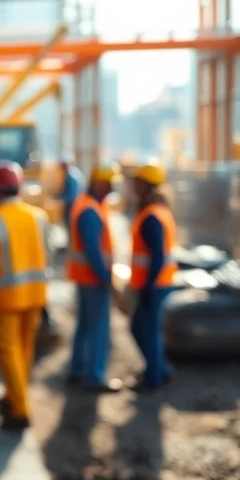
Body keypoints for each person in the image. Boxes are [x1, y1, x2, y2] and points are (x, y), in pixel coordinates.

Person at [0, 161, 51, 431]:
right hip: (36, 294)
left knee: (7, 351)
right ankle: (13, 396)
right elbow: (47, 254)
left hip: (6, 297)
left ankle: (20, 410)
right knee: (24, 350)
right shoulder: (39, 216)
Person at [66, 161, 124, 393]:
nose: (112, 189)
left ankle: (77, 370)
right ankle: (95, 376)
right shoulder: (89, 209)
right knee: (99, 328)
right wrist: (106, 278)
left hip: (84, 277)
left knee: (84, 325)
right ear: (99, 183)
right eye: (109, 184)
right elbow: (93, 251)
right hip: (92, 278)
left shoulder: (88, 204)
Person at [127, 163, 177, 391]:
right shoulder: (159, 210)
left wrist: (148, 286)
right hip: (160, 283)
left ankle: (154, 378)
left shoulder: (152, 216)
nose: (133, 187)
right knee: (142, 327)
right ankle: (159, 371)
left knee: (146, 329)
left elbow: (157, 255)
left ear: (146, 185)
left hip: (155, 285)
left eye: (137, 183)